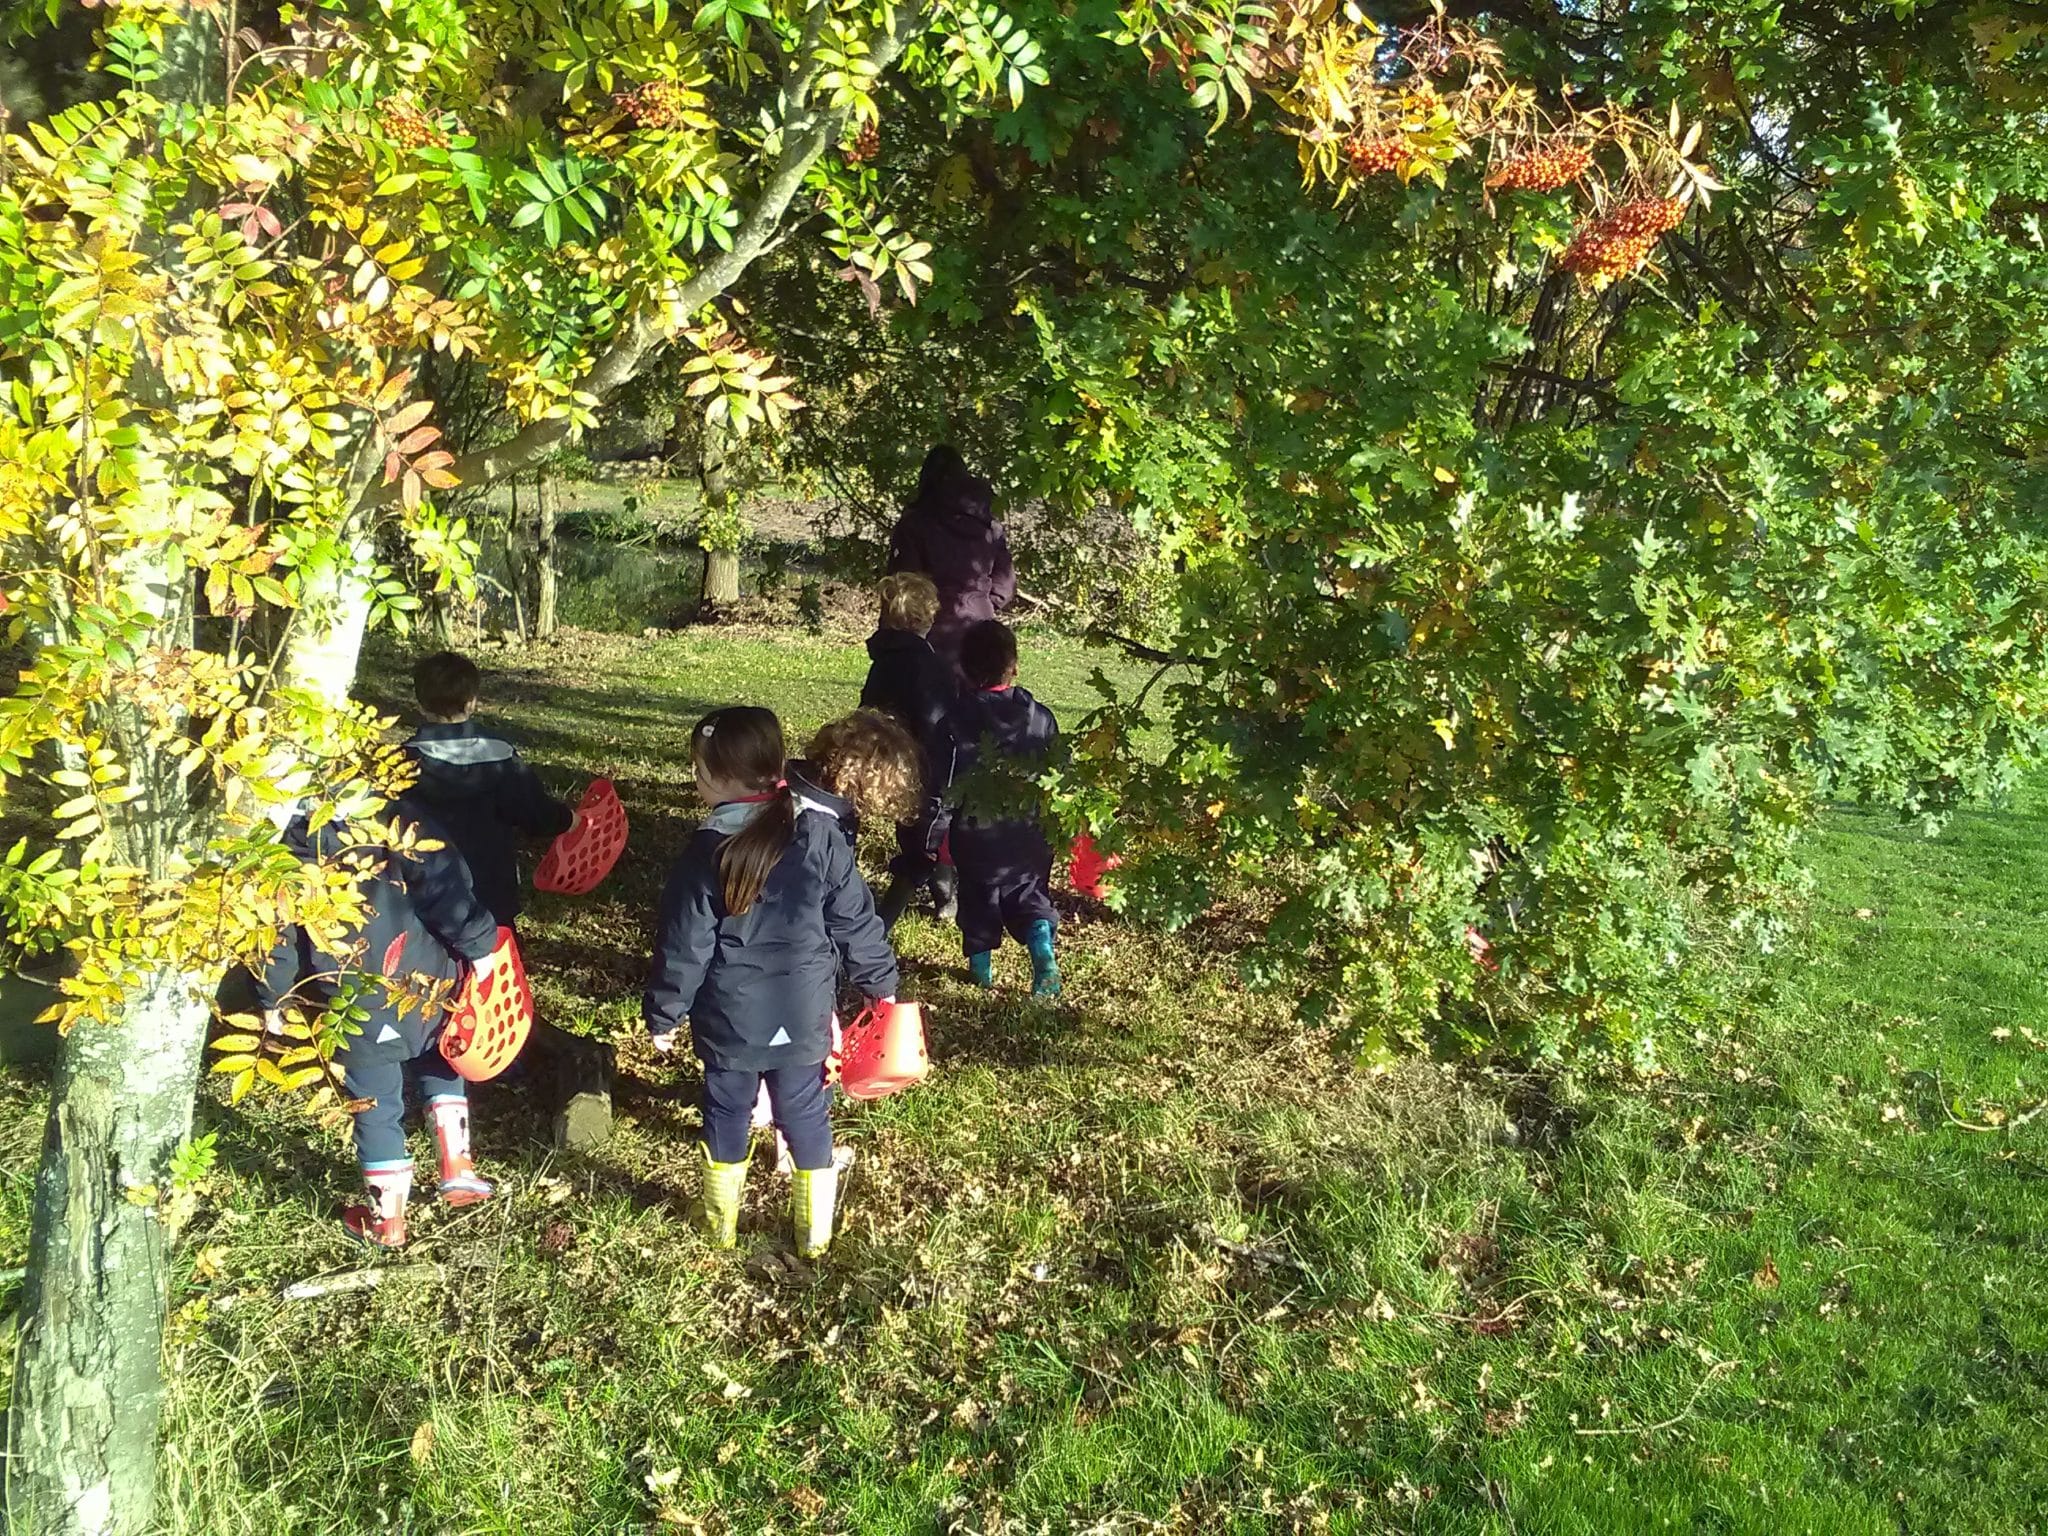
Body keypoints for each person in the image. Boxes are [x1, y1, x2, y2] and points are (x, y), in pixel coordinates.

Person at [643, 707, 899, 1257]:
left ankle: (720, 1225)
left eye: (698, 770)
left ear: (720, 778)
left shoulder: (705, 852)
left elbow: (685, 946)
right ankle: (814, 1234)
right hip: (803, 1013)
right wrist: (880, 983)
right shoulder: (819, 833)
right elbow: (855, 920)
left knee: (727, 1110)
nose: (695, 779)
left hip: (729, 1020)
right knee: (805, 1112)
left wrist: (665, 1013)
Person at [253, 801, 503, 1248]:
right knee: (442, 1057)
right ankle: (457, 1164)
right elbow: (447, 887)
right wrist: (480, 947)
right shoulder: (394, 820)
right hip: (425, 979)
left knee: (374, 1106)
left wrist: (274, 998)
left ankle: (388, 1221)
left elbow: (274, 939)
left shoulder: (281, 856)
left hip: (353, 1005)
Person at [401, 651, 575, 931]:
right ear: (472, 702)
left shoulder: (400, 763)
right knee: (498, 951)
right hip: (492, 893)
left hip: (426, 896)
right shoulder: (499, 754)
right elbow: (533, 811)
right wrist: (568, 819)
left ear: (420, 703)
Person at [942, 619, 1061, 997]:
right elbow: (1058, 775)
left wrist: (938, 832)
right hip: (1031, 834)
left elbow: (943, 782)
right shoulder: (1041, 718)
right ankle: (1043, 954)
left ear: (963, 669)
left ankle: (981, 973)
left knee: (978, 901)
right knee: (1031, 898)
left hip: (976, 835)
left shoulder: (955, 722)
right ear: (1015, 667)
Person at [857, 576, 959, 926]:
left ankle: (946, 899)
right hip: (927, 770)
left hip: (890, 766)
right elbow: (941, 726)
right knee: (924, 846)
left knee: (924, 835)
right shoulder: (930, 667)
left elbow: (868, 713)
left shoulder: (884, 662)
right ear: (924, 617)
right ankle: (881, 924)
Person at [886, 445, 1016, 683]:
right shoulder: (990, 526)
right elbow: (1004, 586)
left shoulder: (915, 524)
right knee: (978, 701)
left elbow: (904, 586)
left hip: (932, 632)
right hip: (981, 631)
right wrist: (980, 603)